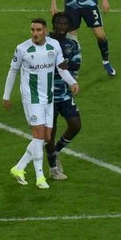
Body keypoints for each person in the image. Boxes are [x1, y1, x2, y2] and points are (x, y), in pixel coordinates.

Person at [2, 18, 79, 190]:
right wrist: (6, 96)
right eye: (32, 30)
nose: (35, 33)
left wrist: (71, 82)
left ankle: (19, 167)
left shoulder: (54, 46)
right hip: (32, 98)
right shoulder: (22, 48)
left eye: (38, 30)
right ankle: (40, 177)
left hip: (49, 98)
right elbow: (13, 70)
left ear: (45, 30)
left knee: (47, 137)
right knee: (38, 135)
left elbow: (61, 67)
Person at [45, 12, 83, 180]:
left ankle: (56, 151)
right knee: (50, 132)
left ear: (68, 26)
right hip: (47, 94)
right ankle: (53, 168)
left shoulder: (72, 43)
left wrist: (65, 67)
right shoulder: (45, 42)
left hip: (64, 92)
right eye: (58, 23)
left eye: (64, 24)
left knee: (75, 125)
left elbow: (76, 63)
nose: (61, 27)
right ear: (53, 25)